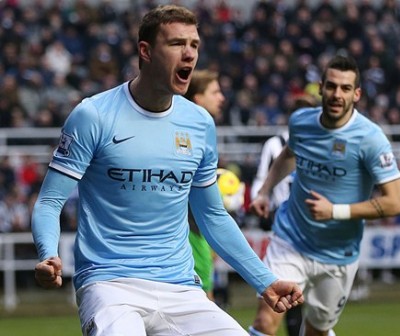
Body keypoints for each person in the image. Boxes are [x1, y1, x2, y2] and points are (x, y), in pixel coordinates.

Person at [31, 5, 303, 336]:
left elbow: (213, 217)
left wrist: (266, 282)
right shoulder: (93, 115)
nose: (189, 54)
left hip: (181, 287)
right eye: (177, 44)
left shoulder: (200, 123)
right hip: (110, 284)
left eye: (195, 45)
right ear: (145, 52)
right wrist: (48, 254)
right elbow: (49, 202)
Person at [249, 54, 400, 336]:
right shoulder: (301, 122)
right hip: (290, 239)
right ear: (320, 87)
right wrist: (264, 191)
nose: (337, 94)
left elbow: (395, 202)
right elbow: (288, 155)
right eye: (331, 86)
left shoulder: (371, 139)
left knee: (317, 331)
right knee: (265, 322)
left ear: (356, 94)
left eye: (345, 88)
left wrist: (336, 211)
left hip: (338, 253)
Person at [250, 93, 318, 336]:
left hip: (317, 237)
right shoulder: (274, 144)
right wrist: (263, 197)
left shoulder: (324, 147)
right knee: (270, 315)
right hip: (283, 231)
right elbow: (261, 179)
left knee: (308, 317)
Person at [183, 69, 225, 302]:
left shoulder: (201, 130)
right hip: (189, 230)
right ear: (198, 98)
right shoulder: (191, 133)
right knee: (202, 303)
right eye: (215, 92)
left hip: (196, 230)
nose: (222, 98)